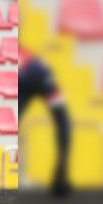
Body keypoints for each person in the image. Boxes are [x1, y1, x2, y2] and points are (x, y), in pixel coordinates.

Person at [19, 46, 71, 196]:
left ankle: (61, 172)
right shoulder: (37, 66)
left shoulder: (32, 65)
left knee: (61, 116)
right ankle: (61, 173)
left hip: (29, 72)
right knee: (61, 117)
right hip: (36, 70)